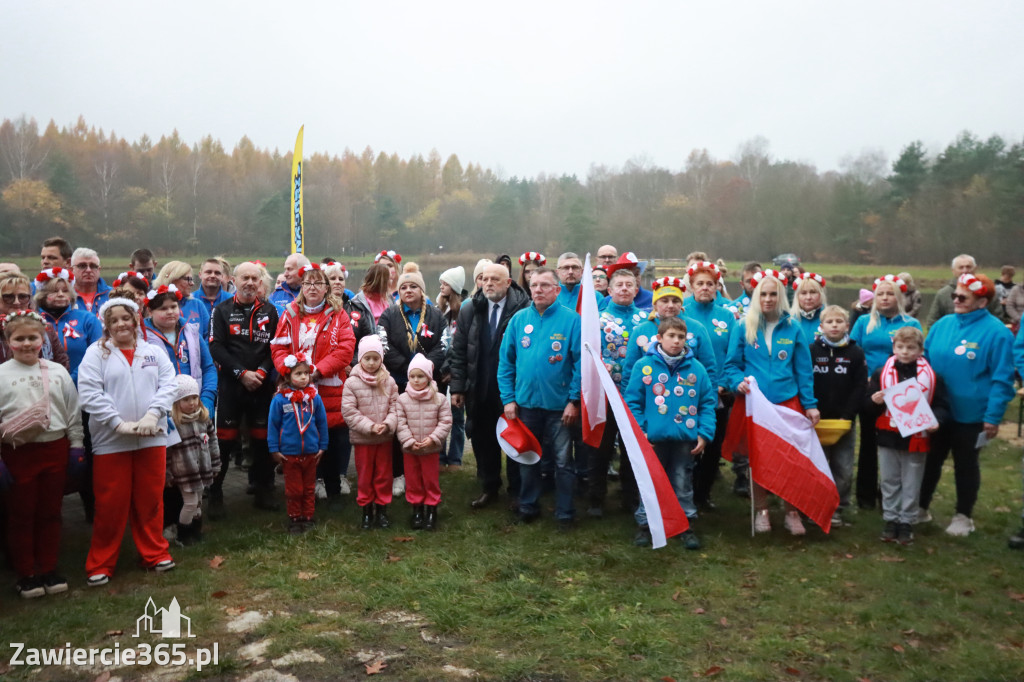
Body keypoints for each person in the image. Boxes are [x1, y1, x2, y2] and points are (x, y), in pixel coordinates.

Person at [78, 297, 177, 586]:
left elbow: (169, 383)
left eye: (126, 318)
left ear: (136, 320)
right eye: (114, 320)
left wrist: (153, 415)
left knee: (150, 500)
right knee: (111, 503)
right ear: (106, 326)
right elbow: (89, 393)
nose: (121, 324)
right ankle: (101, 562)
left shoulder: (153, 352)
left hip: (151, 437)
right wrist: (116, 423)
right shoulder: (96, 355)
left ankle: (154, 553)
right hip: (112, 440)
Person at [723, 269, 819, 535]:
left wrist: (810, 404)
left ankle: (791, 512)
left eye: (773, 294)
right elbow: (731, 366)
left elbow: (803, 370)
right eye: (762, 294)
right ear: (755, 295)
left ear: (781, 296)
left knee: (790, 459)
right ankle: (762, 510)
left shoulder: (793, 327)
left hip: (787, 402)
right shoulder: (743, 325)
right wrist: (737, 382)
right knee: (759, 459)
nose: (767, 299)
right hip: (755, 405)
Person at [919, 273, 1015, 536]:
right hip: (937, 411)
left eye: (963, 297)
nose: (957, 300)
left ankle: (963, 515)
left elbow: (1002, 378)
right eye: (955, 295)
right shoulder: (942, 325)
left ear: (982, 302)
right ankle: (920, 507)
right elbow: (923, 363)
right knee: (930, 460)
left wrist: (993, 417)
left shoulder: (997, 333)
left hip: (971, 415)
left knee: (965, 464)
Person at [0, 311, 83, 598]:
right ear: (8, 341)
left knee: (50, 512)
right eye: (19, 339)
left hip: (54, 448)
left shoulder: (56, 372)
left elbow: (72, 411)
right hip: (17, 453)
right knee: (21, 514)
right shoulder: (2, 374)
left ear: (43, 339)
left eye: (32, 338)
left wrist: (76, 445)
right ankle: (26, 572)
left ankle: (48, 567)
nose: (26, 344)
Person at [497, 267, 582, 530]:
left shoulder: (572, 321)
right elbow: (505, 363)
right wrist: (509, 399)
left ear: (557, 290)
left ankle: (565, 512)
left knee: (563, 462)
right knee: (527, 458)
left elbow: (581, 363)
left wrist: (574, 400)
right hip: (526, 406)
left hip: (560, 407)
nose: (538, 290)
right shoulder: (519, 320)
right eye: (534, 286)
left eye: (545, 285)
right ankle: (528, 505)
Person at [270, 262, 356, 508]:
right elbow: (278, 347)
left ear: (326, 287)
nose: (312, 287)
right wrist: (290, 371)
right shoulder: (290, 313)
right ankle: (304, 493)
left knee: (335, 437)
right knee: (305, 435)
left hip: (330, 386)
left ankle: (334, 488)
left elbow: (345, 348)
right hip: (296, 388)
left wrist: (318, 371)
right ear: (301, 286)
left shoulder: (338, 314)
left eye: (318, 282)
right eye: (308, 282)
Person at [625, 316, 715, 549]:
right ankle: (646, 525)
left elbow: (707, 403)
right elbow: (633, 402)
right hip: (652, 440)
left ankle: (686, 524)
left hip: (685, 440)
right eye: (671, 336)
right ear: (659, 338)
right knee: (651, 481)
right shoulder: (642, 366)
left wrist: (704, 434)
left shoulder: (696, 369)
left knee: (682, 481)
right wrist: (640, 432)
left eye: (681, 337)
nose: (676, 341)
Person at [450, 262, 530, 510]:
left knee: (515, 441)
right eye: (485, 279)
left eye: (495, 279)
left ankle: (517, 491)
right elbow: (459, 351)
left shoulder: (523, 309)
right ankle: (489, 486)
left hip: (512, 390)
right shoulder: (470, 309)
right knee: (484, 441)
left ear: (508, 283)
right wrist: (458, 387)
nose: (488, 284)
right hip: (479, 387)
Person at [865, 327, 948, 545]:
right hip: (888, 435)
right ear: (893, 348)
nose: (905, 351)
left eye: (911, 348)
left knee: (911, 481)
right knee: (889, 479)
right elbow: (867, 406)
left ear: (920, 350)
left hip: (916, 437)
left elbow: (941, 405)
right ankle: (891, 519)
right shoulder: (881, 374)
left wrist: (936, 421)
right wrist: (874, 401)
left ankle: (907, 521)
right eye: (900, 347)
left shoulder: (932, 377)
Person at [209, 261, 280, 516]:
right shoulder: (221, 310)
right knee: (225, 444)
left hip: (261, 387)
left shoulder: (271, 311)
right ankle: (215, 495)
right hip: (231, 386)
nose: (250, 283)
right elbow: (216, 347)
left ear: (260, 283)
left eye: (254, 278)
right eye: (244, 278)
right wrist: (241, 373)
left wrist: (260, 372)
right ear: (234, 281)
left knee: (262, 443)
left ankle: (264, 491)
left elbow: (276, 346)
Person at [850, 275, 923, 510]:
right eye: (880, 294)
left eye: (889, 293)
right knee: (869, 443)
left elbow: (922, 357)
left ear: (899, 297)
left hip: (903, 389)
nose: (884, 298)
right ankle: (865, 496)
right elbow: (853, 352)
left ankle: (893, 496)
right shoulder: (864, 322)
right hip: (871, 388)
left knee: (898, 445)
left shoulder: (911, 323)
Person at [377, 263, 449, 498]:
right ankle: (399, 474)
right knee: (400, 428)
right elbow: (383, 345)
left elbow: (444, 344)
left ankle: (425, 474)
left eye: (413, 286)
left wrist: (425, 369)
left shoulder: (436, 315)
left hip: (428, 386)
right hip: (399, 382)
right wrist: (411, 369)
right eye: (404, 287)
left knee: (425, 427)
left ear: (422, 291)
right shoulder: (389, 314)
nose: (408, 290)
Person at [587, 267, 645, 518]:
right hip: (605, 396)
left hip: (636, 397)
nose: (623, 289)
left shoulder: (647, 320)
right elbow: (587, 356)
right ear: (609, 290)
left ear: (635, 289)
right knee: (601, 448)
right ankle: (596, 498)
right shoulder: (596, 320)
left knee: (632, 450)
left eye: (628, 285)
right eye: (619, 285)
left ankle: (630, 496)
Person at [684, 261, 736, 509]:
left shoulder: (727, 315)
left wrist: (724, 383)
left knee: (714, 445)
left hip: (719, 392)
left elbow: (734, 354)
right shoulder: (681, 311)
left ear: (717, 286)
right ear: (691, 286)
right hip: (685, 391)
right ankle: (685, 491)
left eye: (710, 284)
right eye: (700, 284)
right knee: (688, 445)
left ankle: (703, 495)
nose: (705, 288)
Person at [811, 305, 867, 525]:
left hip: (844, 421)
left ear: (847, 325)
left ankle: (838, 506)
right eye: (829, 322)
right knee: (818, 465)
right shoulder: (811, 351)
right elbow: (806, 382)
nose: (834, 325)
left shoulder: (856, 352)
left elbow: (860, 386)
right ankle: (816, 504)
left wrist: (849, 415)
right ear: (821, 326)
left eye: (839, 321)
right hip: (816, 420)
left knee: (843, 466)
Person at [341, 335, 399, 530]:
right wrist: (369, 426)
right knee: (365, 475)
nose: (372, 363)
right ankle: (366, 510)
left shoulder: (389, 382)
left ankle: (382, 509)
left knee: (383, 474)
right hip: (363, 439)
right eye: (367, 358)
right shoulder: (351, 383)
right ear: (360, 359)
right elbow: (349, 411)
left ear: (381, 358)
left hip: (384, 438)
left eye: (376, 358)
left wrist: (388, 423)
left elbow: (395, 407)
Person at [269, 353, 329, 534]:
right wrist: (273, 448)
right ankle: (295, 517)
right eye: (298, 374)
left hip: (311, 452)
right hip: (289, 453)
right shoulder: (280, 400)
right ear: (287, 376)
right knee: (294, 489)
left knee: (309, 487)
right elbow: (273, 425)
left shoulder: (314, 398)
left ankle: (308, 516)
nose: (303, 377)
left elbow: (322, 422)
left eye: (306, 373)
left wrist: (323, 445)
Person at [396, 354, 453, 530]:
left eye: (420, 376)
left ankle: (431, 510)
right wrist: (408, 440)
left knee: (430, 480)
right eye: (412, 376)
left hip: (430, 449)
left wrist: (434, 438)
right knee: (413, 481)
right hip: (410, 449)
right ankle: (417, 510)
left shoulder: (439, 399)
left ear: (428, 377)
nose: (416, 380)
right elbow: (400, 421)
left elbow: (445, 421)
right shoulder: (402, 399)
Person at [166, 375, 221, 546]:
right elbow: (167, 451)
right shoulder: (173, 423)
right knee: (189, 503)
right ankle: (183, 533)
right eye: (186, 399)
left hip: (202, 469)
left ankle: (196, 531)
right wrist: (167, 473)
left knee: (197, 502)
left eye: (194, 398)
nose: (191, 403)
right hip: (184, 471)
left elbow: (212, 442)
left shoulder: (203, 418)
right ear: (176, 402)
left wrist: (216, 462)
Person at [34, 267, 102, 384]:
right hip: (41, 385)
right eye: (54, 291)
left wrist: (71, 380)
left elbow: (97, 355)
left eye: (65, 291)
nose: (60, 294)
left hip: (81, 384)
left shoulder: (88, 319)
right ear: (43, 295)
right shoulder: (33, 320)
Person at [0, 273, 69, 370]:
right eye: (8, 297)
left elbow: (62, 366)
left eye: (22, 297)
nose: (16, 302)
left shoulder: (45, 328)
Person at [436, 266, 467, 470]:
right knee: (437, 413)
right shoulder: (440, 310)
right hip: (440, 370)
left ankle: (455, 458)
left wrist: (453, 371)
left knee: (457, 415)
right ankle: (439, 456)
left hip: (456, 370)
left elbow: (460, 345)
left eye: (445, 284)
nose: (441, 287)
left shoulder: (464, 311)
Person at [926, 254, 1000, 326]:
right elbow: (933, 321)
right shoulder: (943, 294)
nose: (965, 270)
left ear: (975, 268)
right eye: (961, 267)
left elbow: (999, 318)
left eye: (968, 267)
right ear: (953, 271)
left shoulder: (988, 292)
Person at [154, 261, 211, 335]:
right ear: (173, 279)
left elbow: (209, 334)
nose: (192, 283)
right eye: (188, 279)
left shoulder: (197, 304)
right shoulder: (155, 306)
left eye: (192, 280)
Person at [348, 263, 392, 341]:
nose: (391, 282)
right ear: (382, 281)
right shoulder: (358, 302)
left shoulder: (389, 300)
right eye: (389, 279)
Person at [70, 247, 111, 315]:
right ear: (71, 270)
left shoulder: (112, 295)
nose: (88, 270)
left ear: (99, 269)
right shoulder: (63, 296)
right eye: (82, 266)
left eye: (93, 266)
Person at [790, 272, 828, 343]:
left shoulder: (831, 320)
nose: (808, 297)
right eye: (803, 293)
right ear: (797, 296)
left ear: (821, 294)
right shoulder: (789, 320)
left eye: (813, 292)